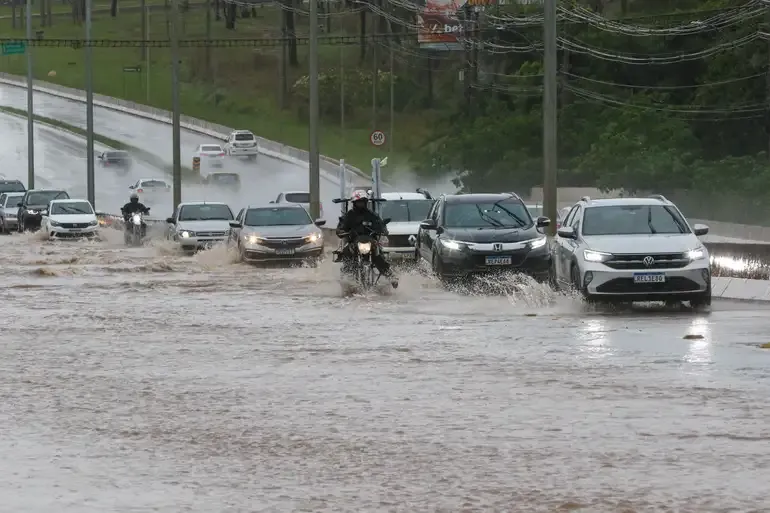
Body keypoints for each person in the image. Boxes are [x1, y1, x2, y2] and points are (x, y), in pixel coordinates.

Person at [336, 190, 398, 288]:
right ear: (354, 203)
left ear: (365, 203)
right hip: (354, 241)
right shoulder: (349, 215)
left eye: (362, 202)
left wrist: (383, 230)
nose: (360, 204)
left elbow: (380, 224)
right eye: (358, 202)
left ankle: (391, 277)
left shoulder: (372, 215)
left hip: (370, 241)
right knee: (346, 252)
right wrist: (342, 231)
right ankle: (345, 279)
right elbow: (341, 226)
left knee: (378, 256)